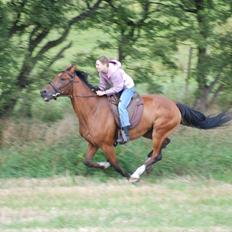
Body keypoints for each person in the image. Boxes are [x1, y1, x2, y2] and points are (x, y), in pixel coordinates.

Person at [95, 56, 136, 144]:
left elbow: (118, 88)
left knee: (121, 107)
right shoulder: (102, 72)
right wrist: (98, 90)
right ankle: (114, 133)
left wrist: (104, 92)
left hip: (127, 88)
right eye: (96, 64)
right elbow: (102, 85)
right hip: (118, 88)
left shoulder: (114, 72)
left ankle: (126, 134)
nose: (96, 66)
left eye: (98, 64)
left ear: (105, 65)